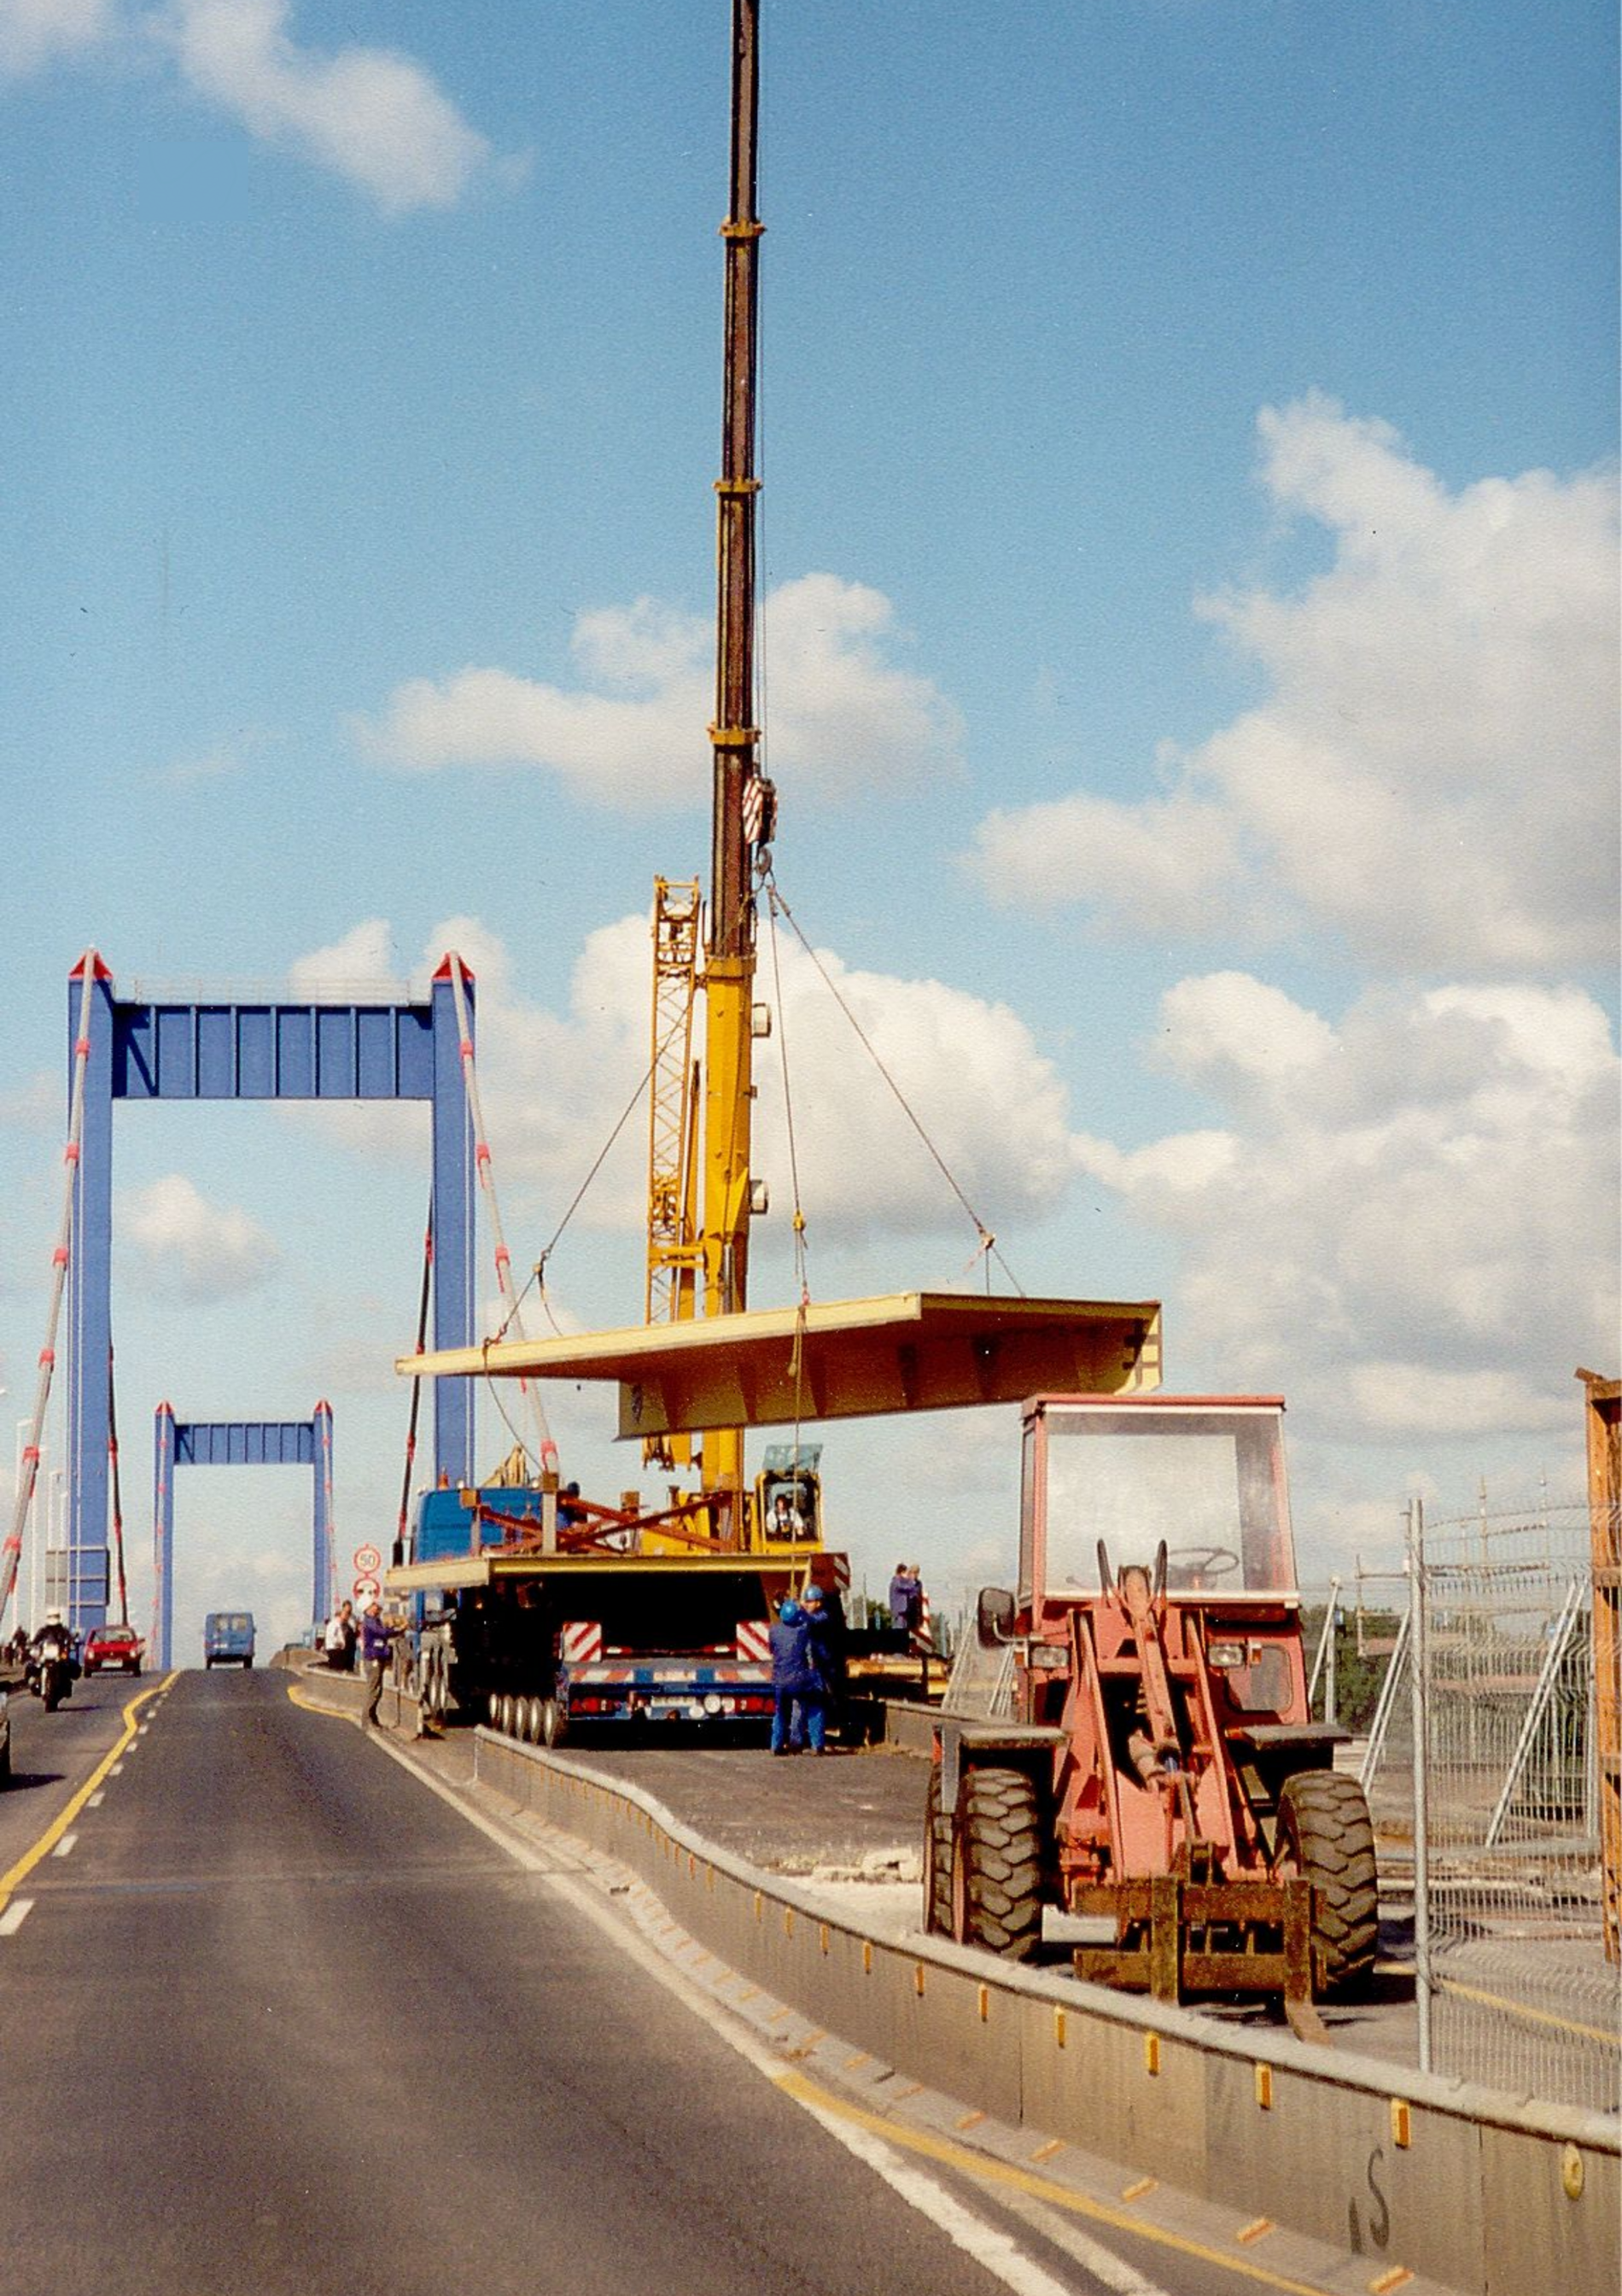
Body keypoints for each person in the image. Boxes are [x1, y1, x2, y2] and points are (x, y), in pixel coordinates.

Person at [767, 1597, 817, 1756]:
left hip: (779, 1679)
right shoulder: (802, 1631)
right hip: (798, 1680)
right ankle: (795, 1744)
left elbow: (772, 1649)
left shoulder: (774, 1631)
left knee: (780, 1712)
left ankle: (776, 1745)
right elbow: (810, 1654)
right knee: (798, 1709)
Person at [799, 1582, 845, 1746]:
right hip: (815, 1665)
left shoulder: (823, 1616)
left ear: (818, 1603)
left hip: (824, 1666)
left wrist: (798, 1610)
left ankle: (825, 1732)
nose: (807, 1604)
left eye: (809, 1602)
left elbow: (810, 1620)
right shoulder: (813, 1616)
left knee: (822, 1700)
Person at [359, 1600, 400, 1727]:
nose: (378, 1607)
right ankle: (366, 1720)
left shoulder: (375, 1620)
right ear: (369, 1608)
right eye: (375, 1605)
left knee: (378, 1690)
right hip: (373, 1659)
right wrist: (397, 1630)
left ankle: (372, 1718)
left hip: (378, 1657)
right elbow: (382, 1633)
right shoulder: (370, 1622)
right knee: (373, 1690)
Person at [888, 1563, 921, 1639]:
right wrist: (911, 1580)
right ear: (902, 1573)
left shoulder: (899, 1582)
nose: (907, 1576)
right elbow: (908, 1588)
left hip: (902, 1611)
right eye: (906, 1573)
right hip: (899, 1611)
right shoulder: (896, 1582)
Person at [323, 1599, 356, 1673]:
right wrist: (340, 1643)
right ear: (342, 1611)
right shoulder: (333, 1624)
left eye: (349, 1612)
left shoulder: (349, 1626)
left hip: (345, 1654)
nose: (347, 1615)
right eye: (346, 1612)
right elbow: (332, 1638)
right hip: (335, 1652)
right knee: (337, 1672)